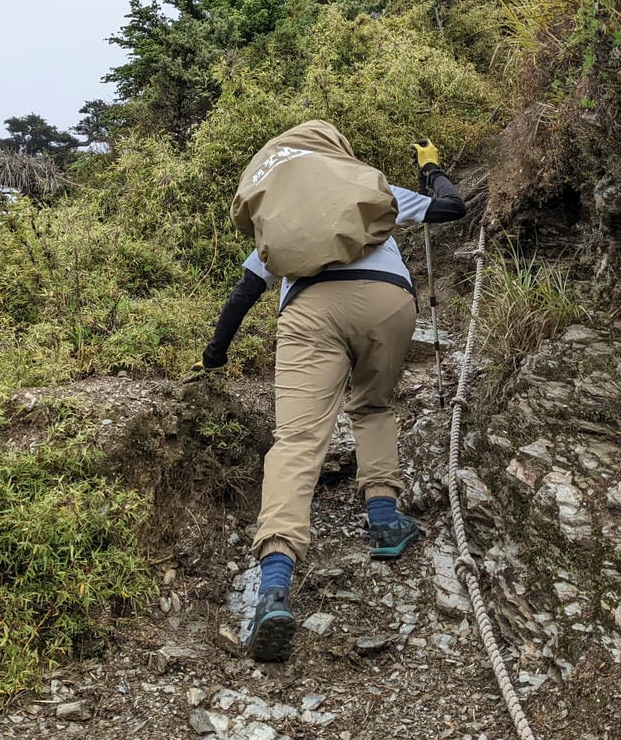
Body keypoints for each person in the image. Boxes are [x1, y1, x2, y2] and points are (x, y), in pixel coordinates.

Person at [185, 120, 467, 662]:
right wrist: (431, 167)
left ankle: (274, 584)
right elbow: (451, 209)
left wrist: (214, 357)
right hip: (388, 304)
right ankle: (384, 520)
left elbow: (243, 295)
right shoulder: (367, 185)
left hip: (310, 312)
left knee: (295, 440)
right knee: (375, 405)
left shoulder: (281, 219)